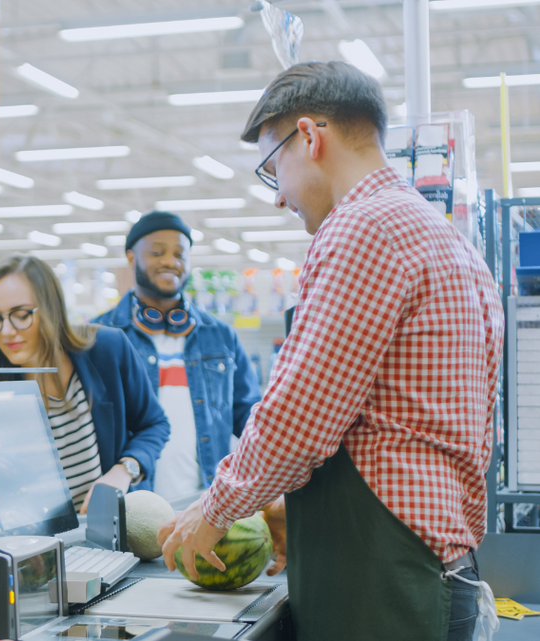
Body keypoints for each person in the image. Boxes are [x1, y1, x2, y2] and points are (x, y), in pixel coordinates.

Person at [158, 61, 503, 641]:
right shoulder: (444, 236)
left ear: (310, 137)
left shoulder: (362, 227)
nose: (279, 199)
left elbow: (300, 414)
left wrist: (215, 510)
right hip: (428, 565)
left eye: (273, 170)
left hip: (383, 582)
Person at [0, 254, 170, 512]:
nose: (6, 331)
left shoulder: (107, 350)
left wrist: (124, 470)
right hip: (37, 543)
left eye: (21, 314)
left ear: (51, 309)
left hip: (112, 533)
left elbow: (154, 424)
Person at [92, 211, 261, 503]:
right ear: (132, 259)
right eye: (157, 252)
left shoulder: (220, 335)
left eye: (180, 254)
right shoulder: (101, 336)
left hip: (208, 505)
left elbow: (249, 418)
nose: (171, 261)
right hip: (133, 506)